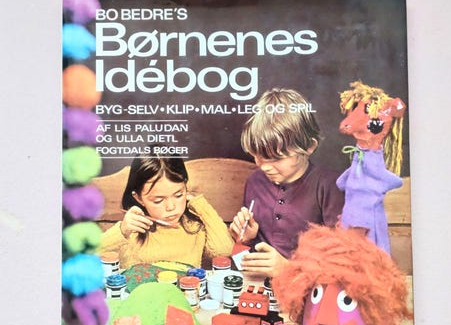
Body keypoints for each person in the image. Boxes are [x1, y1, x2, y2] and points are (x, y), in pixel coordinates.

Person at [229, 88, 344, 277]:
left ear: (309, 147)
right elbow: (247, 258)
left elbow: (343, 262)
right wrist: (245, 239)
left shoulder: (329, 187)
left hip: (311, 287)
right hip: (260, 285)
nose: (265, 167)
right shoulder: (255, 181)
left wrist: (287, 269)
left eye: (276, 158)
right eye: (258, 157)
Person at [99, 151, 234, 269]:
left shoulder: (194, 226)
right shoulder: (132, 229)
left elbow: (224, 250)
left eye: (178, 195)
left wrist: (201, 206)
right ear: (139, 198)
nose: (171, 207)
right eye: (158, 200)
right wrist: (122, 231)